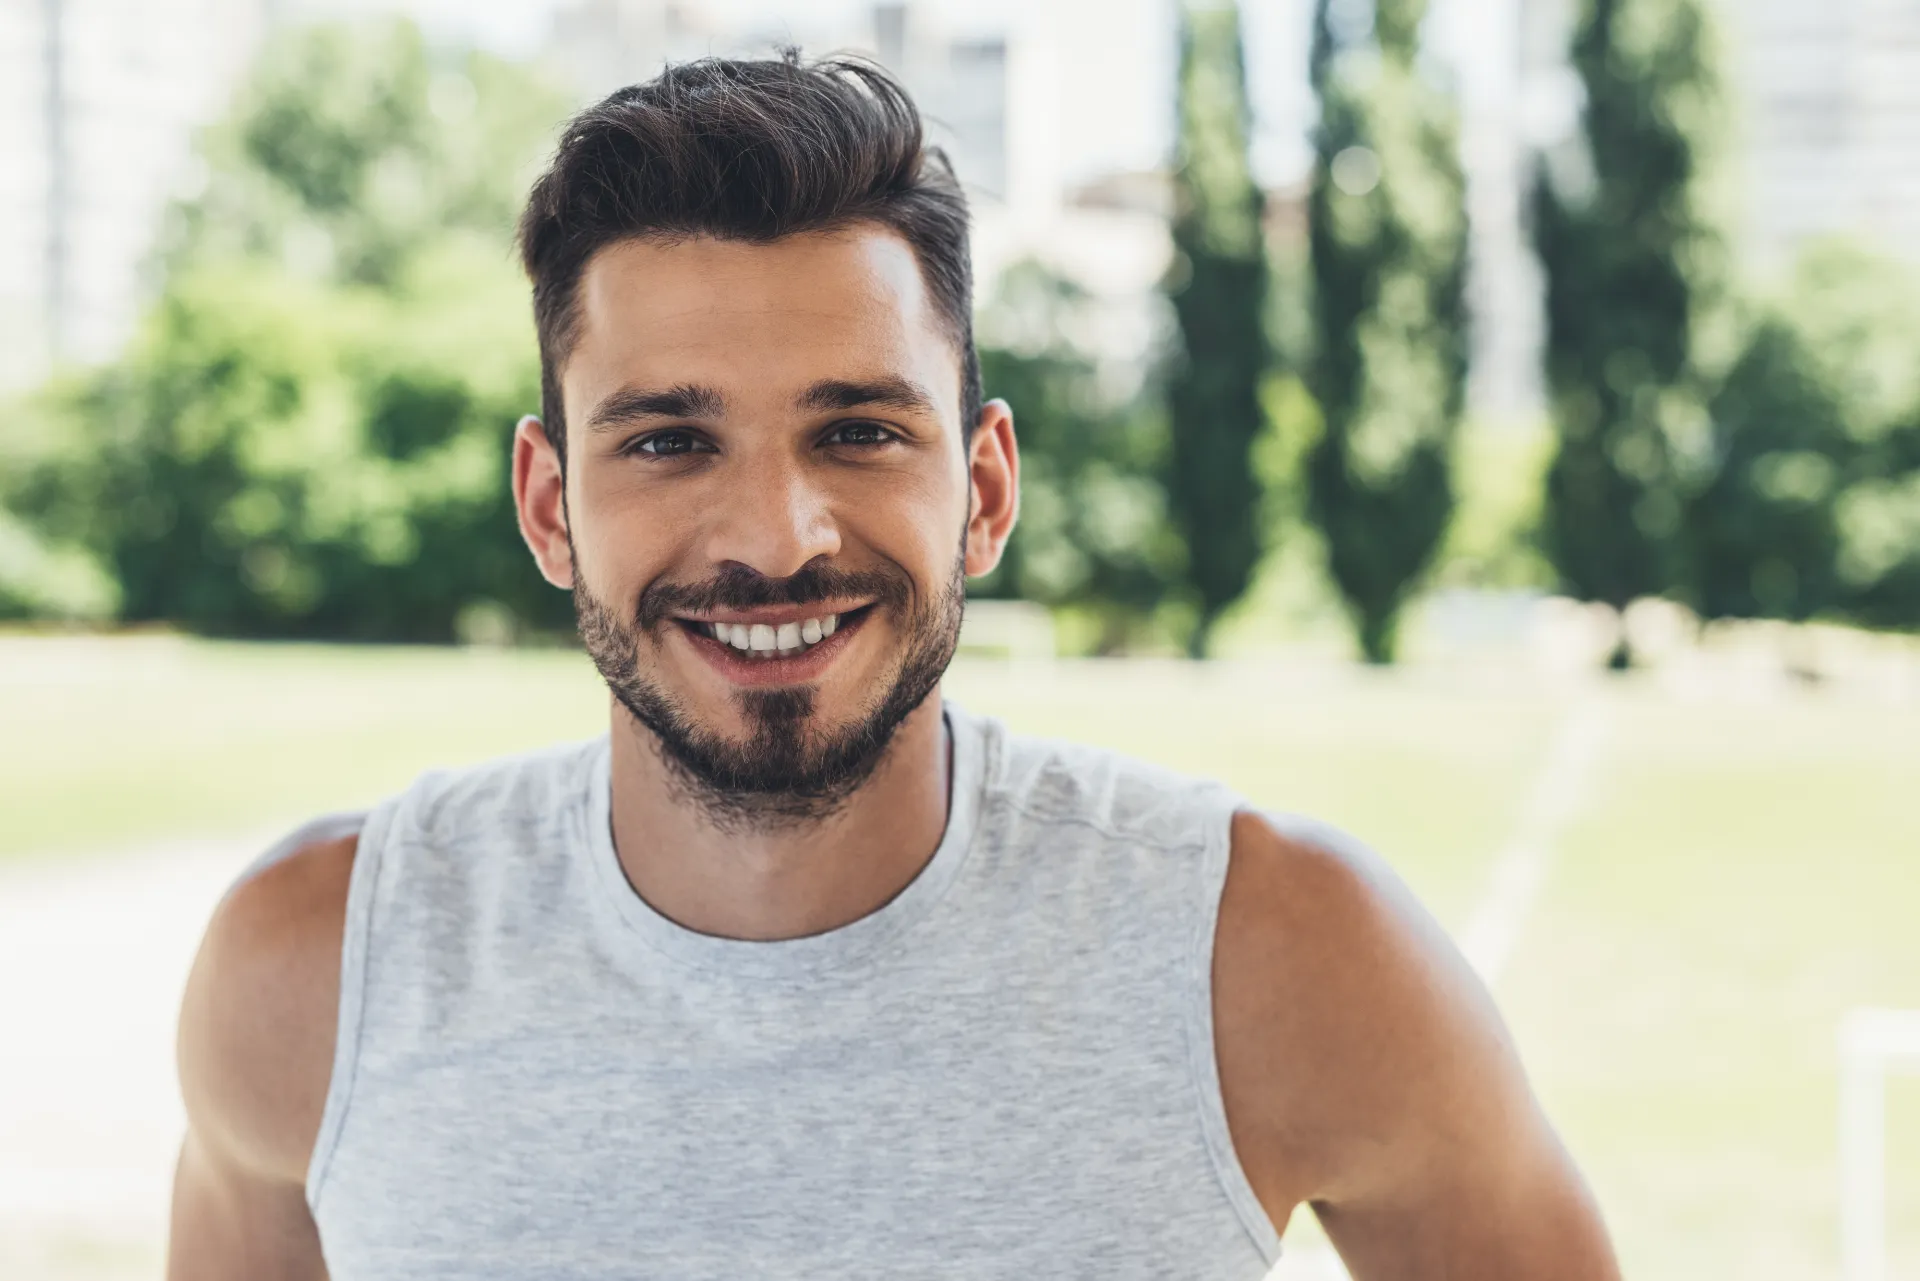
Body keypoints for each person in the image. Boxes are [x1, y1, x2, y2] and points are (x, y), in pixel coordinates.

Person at [167, 52, 1618, 1280]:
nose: (777, 537)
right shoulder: (312, 972)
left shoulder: (1284, 953)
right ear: (550, 505)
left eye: (859, 430)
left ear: (984, 488)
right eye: (668, 439)